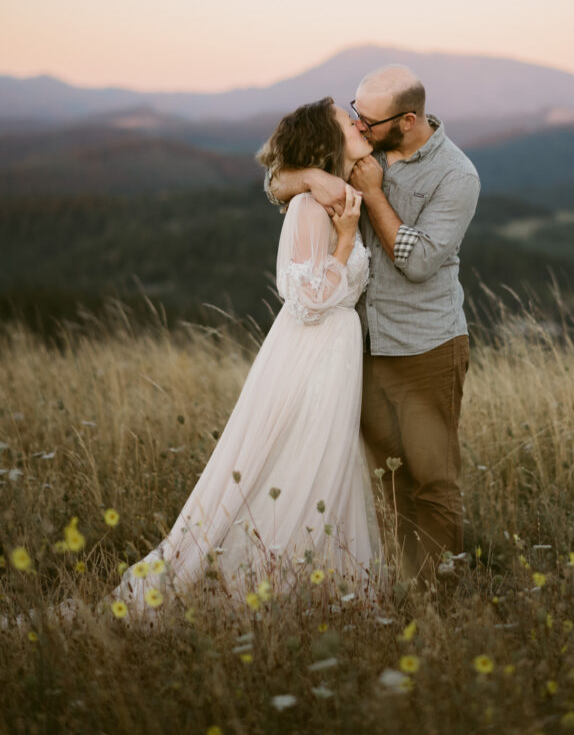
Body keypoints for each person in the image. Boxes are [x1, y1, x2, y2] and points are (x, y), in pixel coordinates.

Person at [20, 97, 381, 629]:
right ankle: (271, 583)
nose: (357, 122)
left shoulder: (338, 190)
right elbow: (304, 300)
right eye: (347, 121)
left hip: (337, 352)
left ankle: (322, 585)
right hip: (312, 353)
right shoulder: (310, 206)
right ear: (327, 145)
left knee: (327, 463)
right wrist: (347, 237)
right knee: (296, 462)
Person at [267, 66, 480, 582]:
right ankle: (406, 585)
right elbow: (276, 178)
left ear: (408, 120)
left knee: (432, 480)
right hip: (361, 350)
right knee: (390, 480)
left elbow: (420, 260)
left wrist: (375, 194)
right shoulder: (367, 147)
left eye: (368, 117)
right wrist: (313, 177)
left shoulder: (456, 175)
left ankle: (440, 598)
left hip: (425, 346)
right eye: (354, 112)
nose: (358, 124)